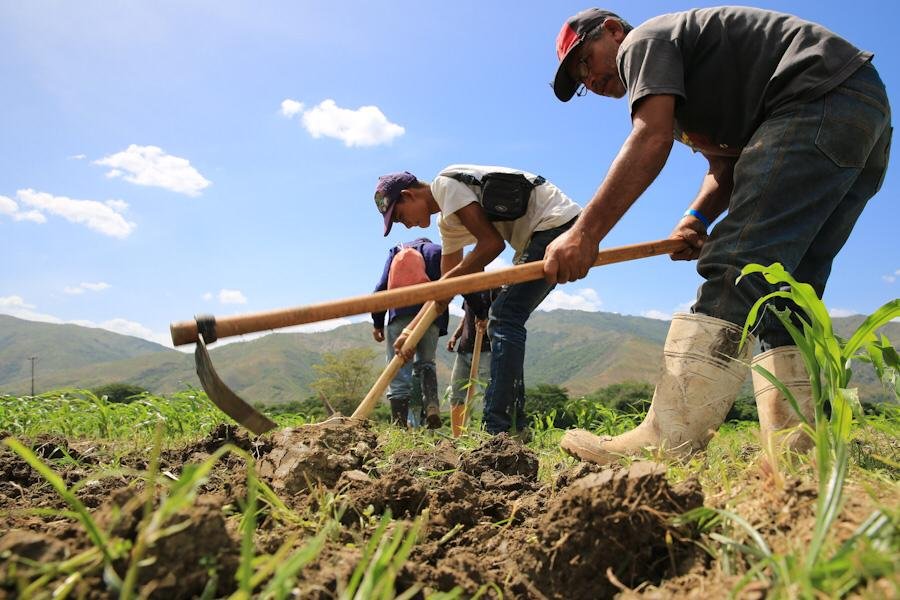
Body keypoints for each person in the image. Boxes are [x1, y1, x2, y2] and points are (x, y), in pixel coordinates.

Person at [547, 7, 891, 463]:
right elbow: (728, 166)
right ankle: (801, 448)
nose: (589, 80)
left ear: (612, 31)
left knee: (739, 264)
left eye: (585, 62)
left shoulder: (644, 42)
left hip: (815, 97)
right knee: (784, 288)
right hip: (859, 110)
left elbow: (650, 137)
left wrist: (584, 233)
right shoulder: (689, 85)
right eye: (579, 80)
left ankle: (667, 440)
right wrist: (696, 217)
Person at [373, 167, 582, 435]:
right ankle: (514, 427)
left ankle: (499, 429)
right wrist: (412, 328)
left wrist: (445, 286)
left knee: (504, 316)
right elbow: (448, 287)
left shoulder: (445, 185)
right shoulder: (448, 223)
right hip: (539, 236)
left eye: (400, 216)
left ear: (408, 195)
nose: (406, 224)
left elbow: (491, 245)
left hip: (555, 225)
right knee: (506, 316)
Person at [372, 237, 449, 429]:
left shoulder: (396, 252)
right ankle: (431, 404)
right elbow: (452, 282)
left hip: (400, 314)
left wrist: (378, 323)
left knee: (398, 369)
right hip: (430, 315)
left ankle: (399, 426)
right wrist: (480, 312)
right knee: (426, 363)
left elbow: (381, 288)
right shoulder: (436, 251)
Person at [446, 290, 495, 435]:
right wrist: (455, 336)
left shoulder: (492, 291)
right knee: (456, 394)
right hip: (464, 349)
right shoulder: (469, 290)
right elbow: (465, 317)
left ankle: (491, 435)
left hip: (485, 350)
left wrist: (488, 322)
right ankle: (457, 437)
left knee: (488, 393)